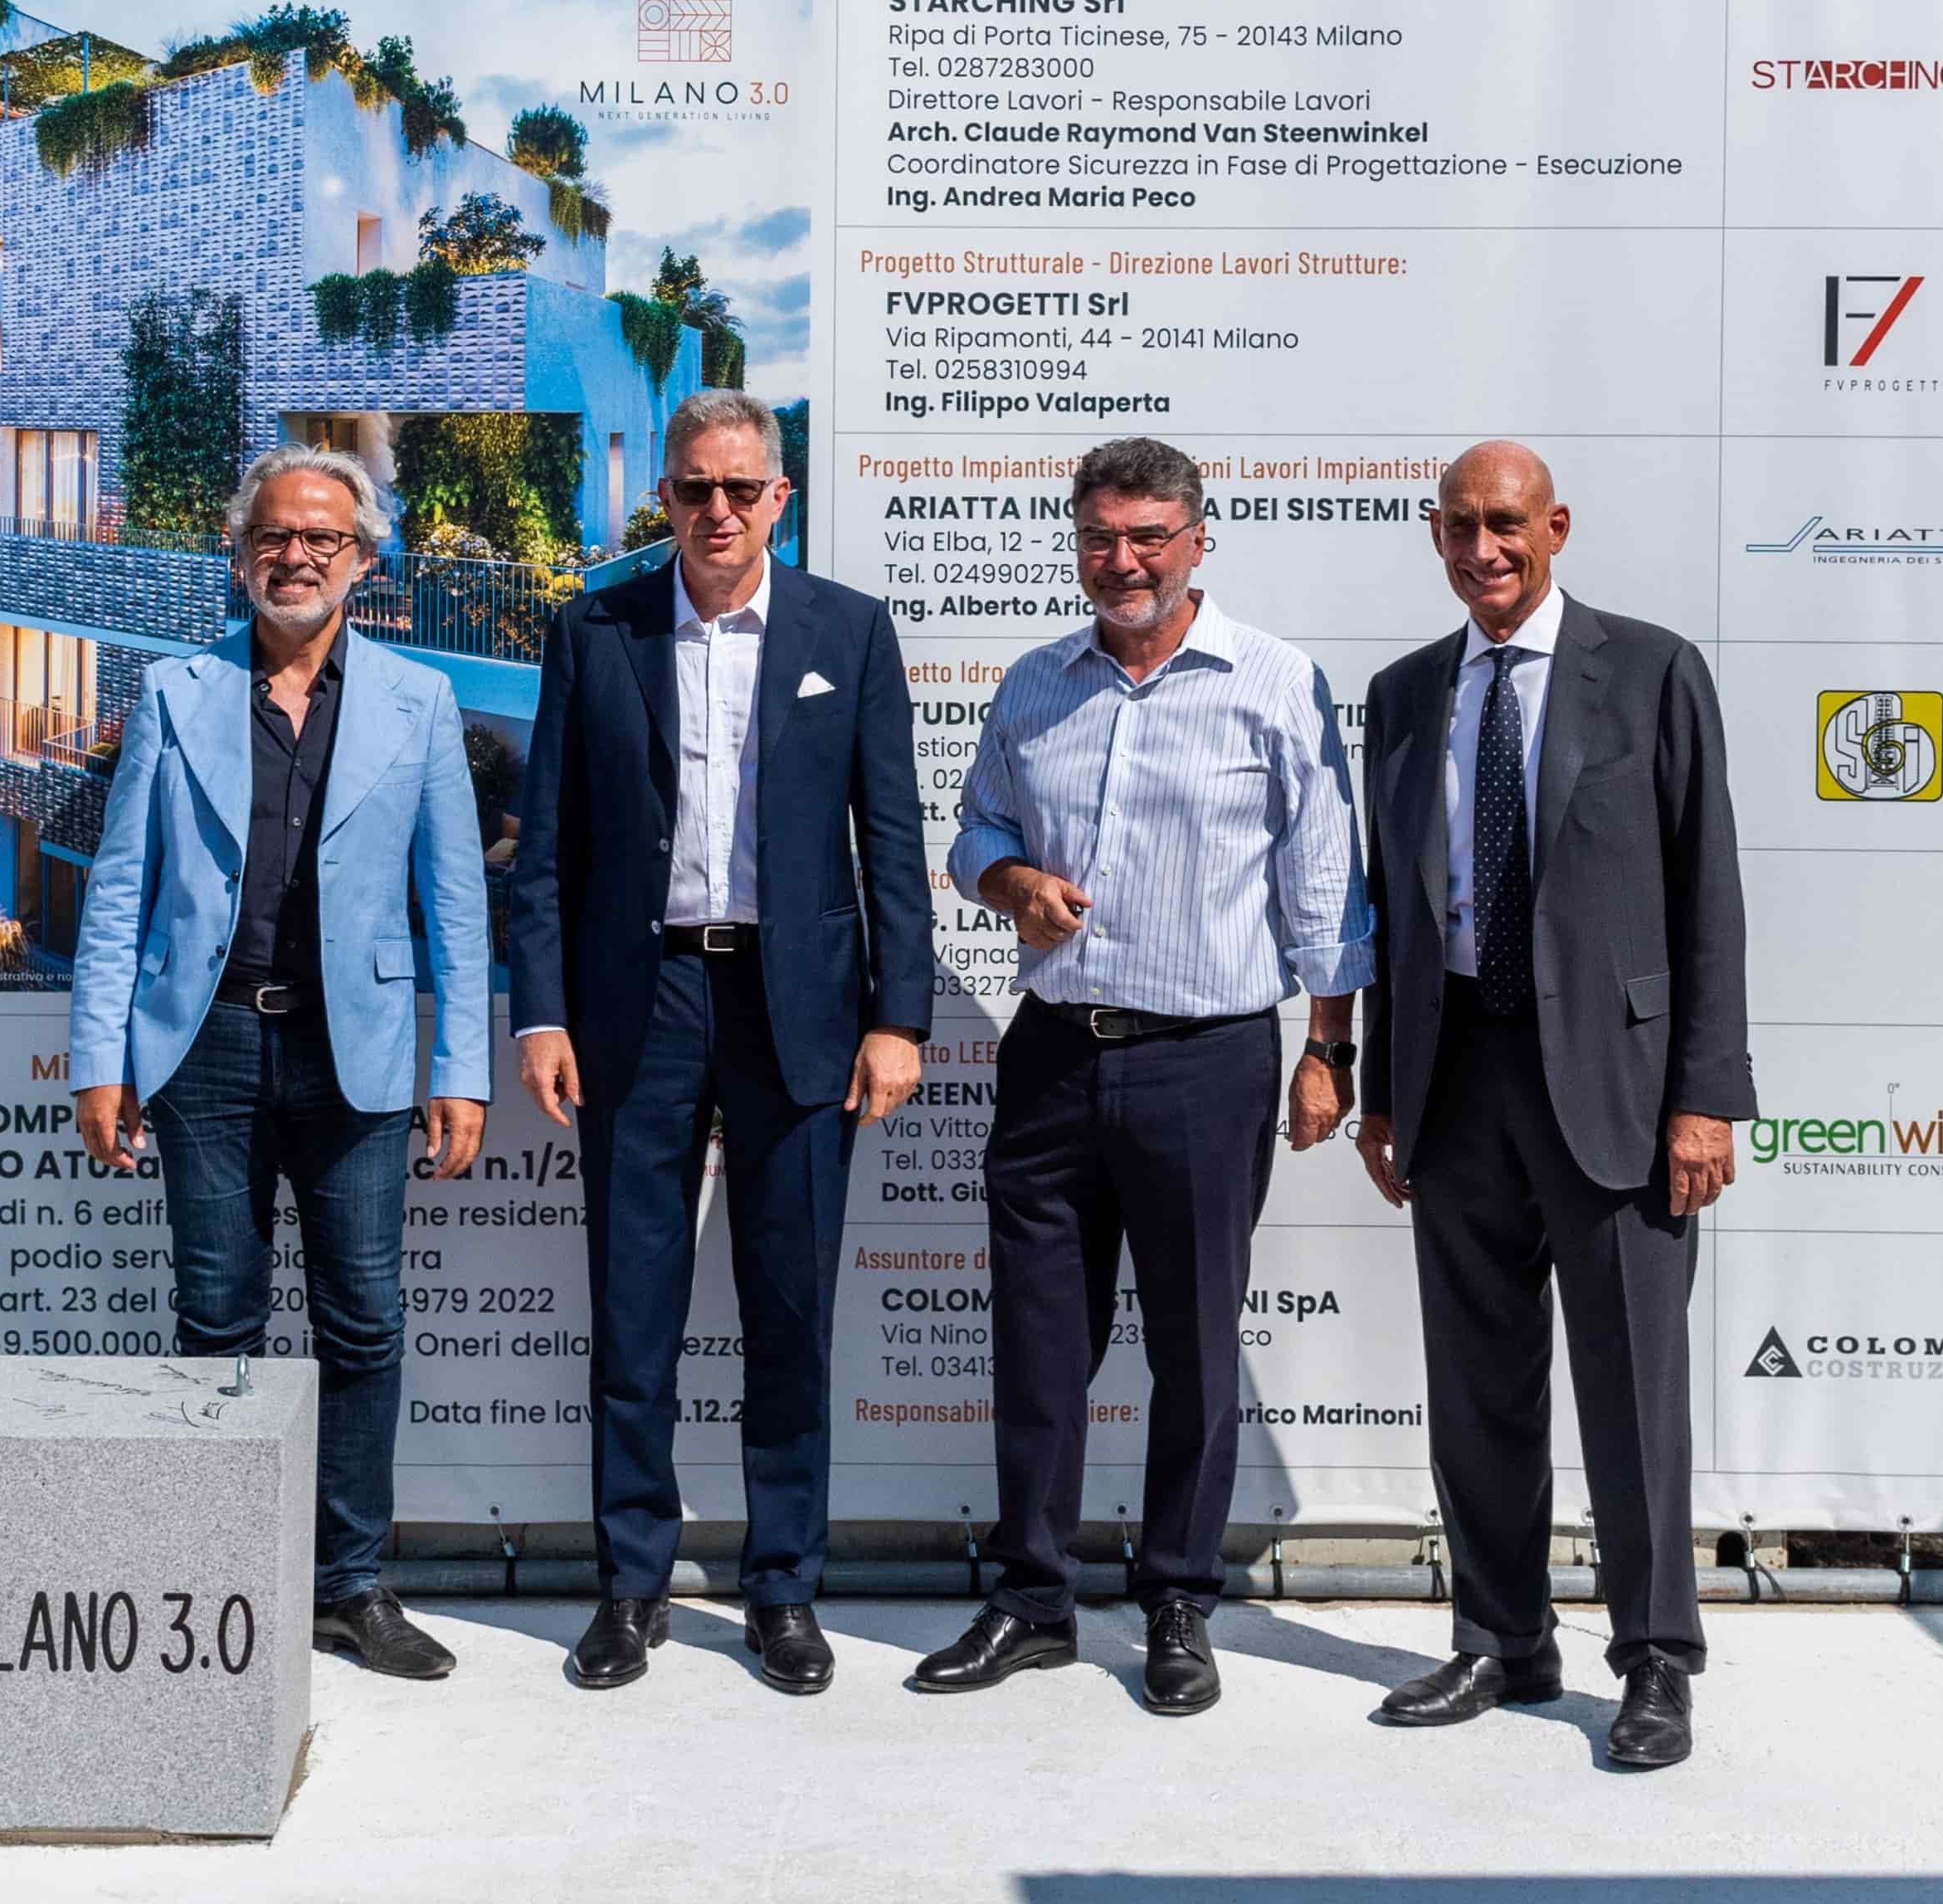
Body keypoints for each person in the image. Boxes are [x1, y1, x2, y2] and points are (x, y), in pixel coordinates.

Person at [915, 436, 1373, 1717]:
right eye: (1098, 538)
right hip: (1053, 1053)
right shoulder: (1035, 683)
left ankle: (1176, 1602)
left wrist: (1327, 1047)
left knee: (1194, 1349)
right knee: (1036, 1346)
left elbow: (1324, 885)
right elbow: (975, 830)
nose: (1121, 561)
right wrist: (1010, 879)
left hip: (1204, 1060)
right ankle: (1031, 1603)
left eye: (1146, 537)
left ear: (1196, 540)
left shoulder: (1272, 683)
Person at [509, 388, 934, 1696]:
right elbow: (548, 844)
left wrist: (898, 1017)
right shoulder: (595, 630)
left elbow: (892, 841)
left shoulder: (846, 631)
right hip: (637, 1006)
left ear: (778, 500)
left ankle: (782, 1588)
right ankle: (630, 1584)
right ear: (667, 497)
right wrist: (540, 1009)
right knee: (632, 1311)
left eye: (741, 489)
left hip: (798, 1009)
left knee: (789, 1312)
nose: (717, 510)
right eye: (695, 487)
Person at [1358, 440, 1751, 1770]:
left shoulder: (1647, 670)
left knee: (1631, 1388)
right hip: (1454, 1076)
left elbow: (1707, 893)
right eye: (1459, 526)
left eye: (1506, 523)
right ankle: (1499, 1640)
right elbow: (1391, 910)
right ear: (1434, 536)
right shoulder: (1402, 694)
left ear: (1556, 527)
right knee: (1475, 1384)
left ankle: (1653, 1661)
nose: (1484, 549)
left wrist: (1704, 1096)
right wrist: (1379, 1090)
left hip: (1617, 1090)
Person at [71, 446, 492, 1682]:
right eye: (273, 535)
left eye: (323, 539)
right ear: (238, 549)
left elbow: (455, 905)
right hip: (201, 1049)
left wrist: (460, 1067)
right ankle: (222, 1578)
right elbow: (121, 889)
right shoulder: (175, 692)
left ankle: (349, 1585)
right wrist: (100, 1058)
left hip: (357, 1056)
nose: (295, 556)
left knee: (363, 1324)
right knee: (217, 1318)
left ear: (364, 560)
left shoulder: (419, 701)